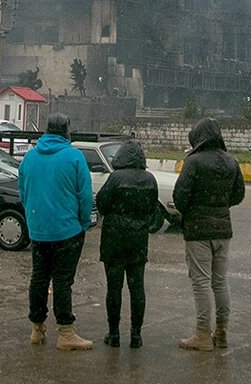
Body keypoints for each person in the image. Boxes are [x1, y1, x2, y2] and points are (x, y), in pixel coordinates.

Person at [17, 113, 94, 351]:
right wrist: (82, 224)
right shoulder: (74, 157)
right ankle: (65, 332)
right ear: (66, 131)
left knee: (38, 279)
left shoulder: (28, 159)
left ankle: (37, 328)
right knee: (62, 282)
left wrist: (34, 220)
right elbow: (85, 196)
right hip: (67, 231)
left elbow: (23, 193)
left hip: (39, 231)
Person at [172, 116, 245, 352]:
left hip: (198, 231)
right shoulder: (231, 161)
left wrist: (193, 211)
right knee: (220, 281)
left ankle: (203, 334)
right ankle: (222, 332)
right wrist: (220, 207)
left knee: (201, 282)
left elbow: (180, 197)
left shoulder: (193, 162)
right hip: (223, 229)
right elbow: (238, 195)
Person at [95, 138, 159, 349]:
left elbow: (102, 203)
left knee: (114, 288)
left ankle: (113, 334)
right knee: (137, 287)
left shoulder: (115, 178)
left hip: (114, 239)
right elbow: (152, 209)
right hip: (138, 240)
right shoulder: (150, 179)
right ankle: (136, 334)